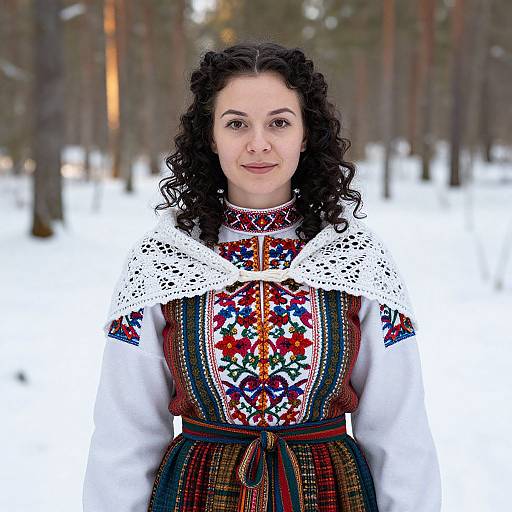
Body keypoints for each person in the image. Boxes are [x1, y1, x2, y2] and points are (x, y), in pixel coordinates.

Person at [82, 42, 441, 512]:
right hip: (198, 499)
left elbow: (400, 432)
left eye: (279, 122)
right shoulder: (161, 261)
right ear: (210, 137)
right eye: (236, 124)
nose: (258, 144)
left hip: (330, 497)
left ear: (306, 133)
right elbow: (123, 435)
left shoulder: (359, 259)